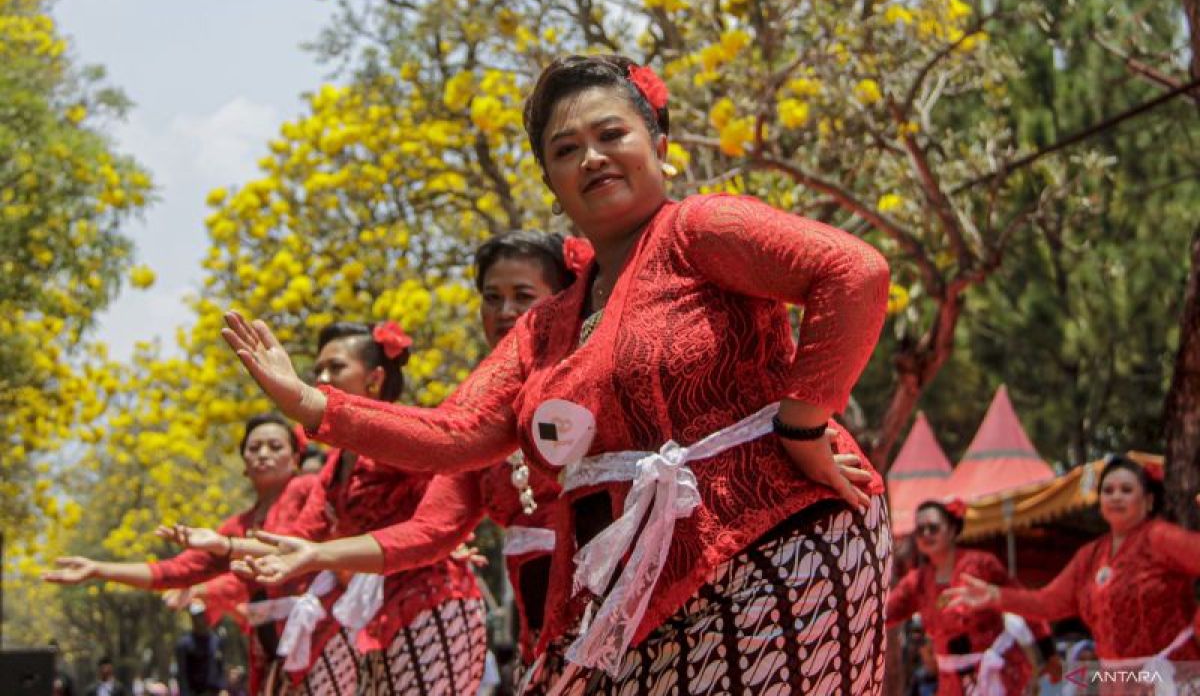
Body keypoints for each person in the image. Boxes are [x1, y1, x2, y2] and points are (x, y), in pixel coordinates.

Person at [221, 53, 892, 694]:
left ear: (657, 142)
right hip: (631, 591)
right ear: (550, 181)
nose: (592, 157)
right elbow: (457, 433)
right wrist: (311, 403)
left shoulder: (699, 229)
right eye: (566, 149)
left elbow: (852, 272)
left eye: (610, 134)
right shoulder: (549, 327)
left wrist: (804, 423)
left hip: (775, 546)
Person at [235, 231, 576, 674]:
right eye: (491, 297)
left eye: (522, 296)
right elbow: (432, 527)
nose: (504, 311)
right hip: (528, 625)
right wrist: (312, 555)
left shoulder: (590, 371)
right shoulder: (477, 417)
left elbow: (432, 445)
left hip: (614, 594)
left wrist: (308, 403)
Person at [201, 320, 488, 694]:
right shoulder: (336, 467)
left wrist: (454, 537)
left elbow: (445, 505)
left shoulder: (405, 433)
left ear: (374, 380)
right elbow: (299, 539)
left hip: (432, 602)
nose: (322, 377)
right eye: (317, 370)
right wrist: (226, 546)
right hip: (374, 613)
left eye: (335, 368)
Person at [43, 415, 317, 695]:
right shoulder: (238, 527)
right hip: (269, 649)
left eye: (275, 446)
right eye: (254, 447)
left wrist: (223, 556)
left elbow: (301, 549)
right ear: (244, 464)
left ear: (296, 457)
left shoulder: (310, 490)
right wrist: (98, 569)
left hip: (321, 633)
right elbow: (172, 571)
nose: (263, 454)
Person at [948, 456, 1200, 688]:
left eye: (1126, 490)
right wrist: (996, 596)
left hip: (1173, 675)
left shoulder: (1161, 538)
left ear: (1148, 501)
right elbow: (1048, 602)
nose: (1115, 497)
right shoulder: (1090, 556)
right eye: (1108, 491)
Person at [887, 498, 1055, 694]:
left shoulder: (982, 565)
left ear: (952, 529)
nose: (926, 534)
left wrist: (1049, 652)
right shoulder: (917, 582)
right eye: (920, 529)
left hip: (997, 674)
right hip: (952, 683)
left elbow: (1022, 602)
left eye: (933, 528)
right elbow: (884, 614)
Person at [175, 604, 226, 696]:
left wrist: (223, 688)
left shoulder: (216, 641)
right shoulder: (185, 644)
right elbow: (182, 675)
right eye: (196, 616)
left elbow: (220, 667)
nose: (199, 619)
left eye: (201, 615)